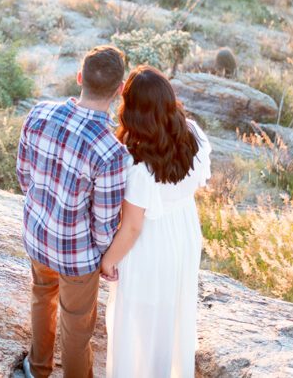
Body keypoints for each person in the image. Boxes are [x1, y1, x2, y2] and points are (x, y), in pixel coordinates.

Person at [17, 46, 130, 378]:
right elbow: (104, 224)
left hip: (37, 237)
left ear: (79, 77)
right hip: (77, 256)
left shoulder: (38, 113)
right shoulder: (112, 152)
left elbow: (24, 177)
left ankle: (37, 370)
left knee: (41, 298)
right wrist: (106, 258)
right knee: (77, 330)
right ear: (120, 90)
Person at [101, 65, 212, 378]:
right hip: (185, 229)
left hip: (151, 242)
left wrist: (109, 261)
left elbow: (133, 226)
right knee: (173, 314)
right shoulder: (193, 134)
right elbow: (195, 184)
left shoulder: (137, 163)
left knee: (139, 320)